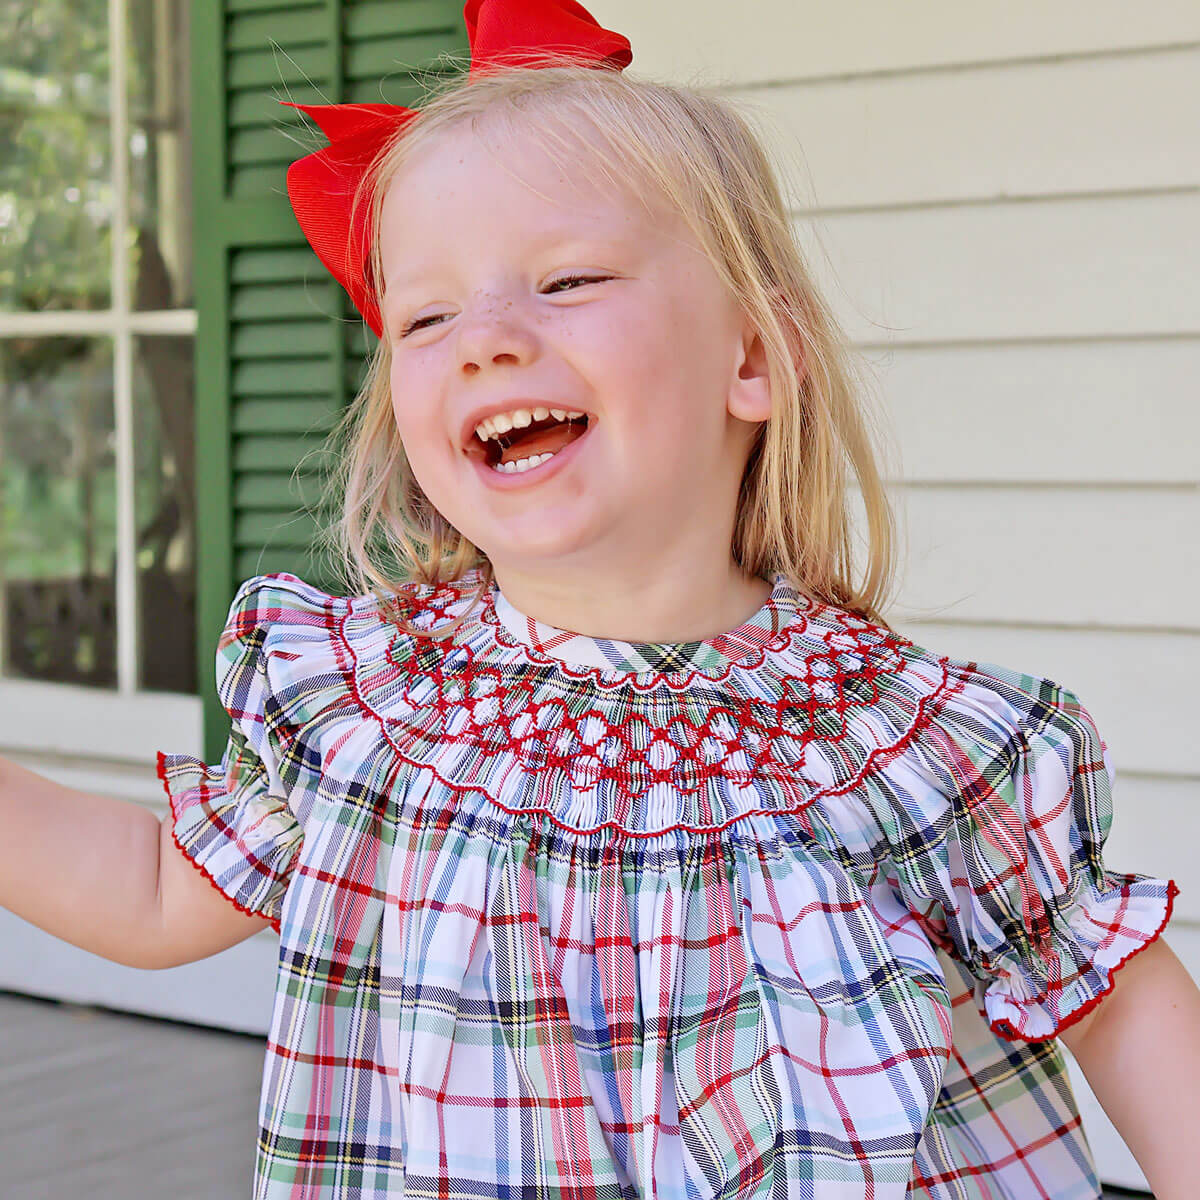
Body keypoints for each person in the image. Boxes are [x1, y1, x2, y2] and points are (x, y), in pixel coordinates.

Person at [2, 1, 1197, 1196]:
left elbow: (1120, 1003)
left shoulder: (917, 746)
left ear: (752, 357)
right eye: (424, 315)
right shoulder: (373, 714)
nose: (483, 340)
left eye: (565, 280)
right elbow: (157, 886)